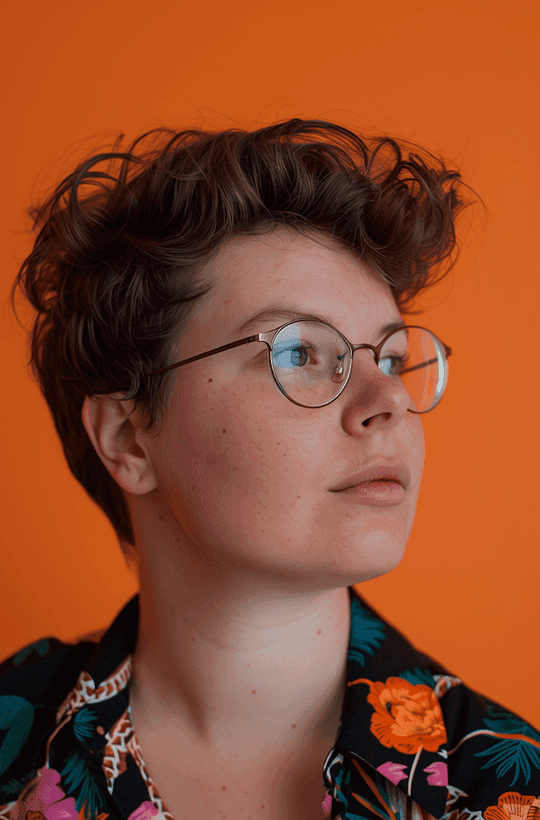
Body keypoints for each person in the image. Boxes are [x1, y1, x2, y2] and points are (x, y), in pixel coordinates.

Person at [1, 119, 539, 820]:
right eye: (300, 354)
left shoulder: (505, 792)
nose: (389, 401)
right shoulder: (14, 748)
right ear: (129, 437)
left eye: (393, 357)